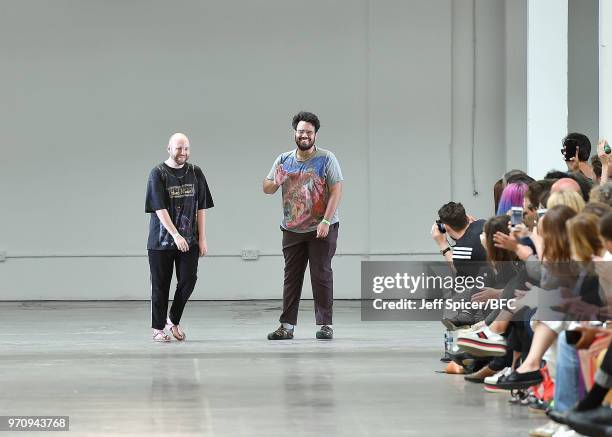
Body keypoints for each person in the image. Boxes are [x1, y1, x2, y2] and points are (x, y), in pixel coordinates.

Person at [263, 111, 343, 340]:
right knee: (291, 277)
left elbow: (337, 190)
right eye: (300, 132)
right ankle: (286, 326)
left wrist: (327, 220)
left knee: (321, 275)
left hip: (321, 227)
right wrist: (275, 182)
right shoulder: (283, 160)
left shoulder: (327, 158)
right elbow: (267, 188)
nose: (304, 135)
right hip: (292, 228)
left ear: (315, 134)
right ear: (294, 134)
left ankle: (325, 324)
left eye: (309, 132)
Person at [145, 133, 214, 342]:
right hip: (161, 241)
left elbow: (201, 206)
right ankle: (158, 328)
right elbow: (159, 208)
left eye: (186, 148)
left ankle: (172, 319)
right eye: (178, 148)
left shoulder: (196, 172)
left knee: (188, 279)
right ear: (168, 148)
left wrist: (202, 238)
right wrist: (175, 235)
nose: (182, 152)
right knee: (160, 285)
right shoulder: (157, 173)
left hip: (189, 240)